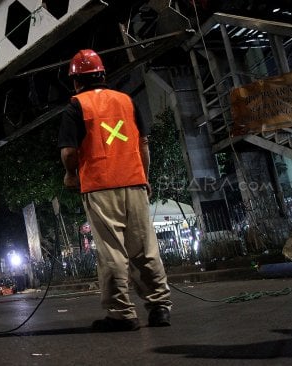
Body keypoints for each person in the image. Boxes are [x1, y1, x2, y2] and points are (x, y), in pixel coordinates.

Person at [58, 49, 172, 332]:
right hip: (134, 183)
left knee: (113, 253)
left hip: (100, 187)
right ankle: (159, 307)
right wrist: (144, 177)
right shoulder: (127, 101)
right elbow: (143, 144)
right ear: (103, 75)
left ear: (76, 81)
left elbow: (70, 152)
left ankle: (122, 314)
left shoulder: (76, 106)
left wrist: (71, 175)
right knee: (145, 248)